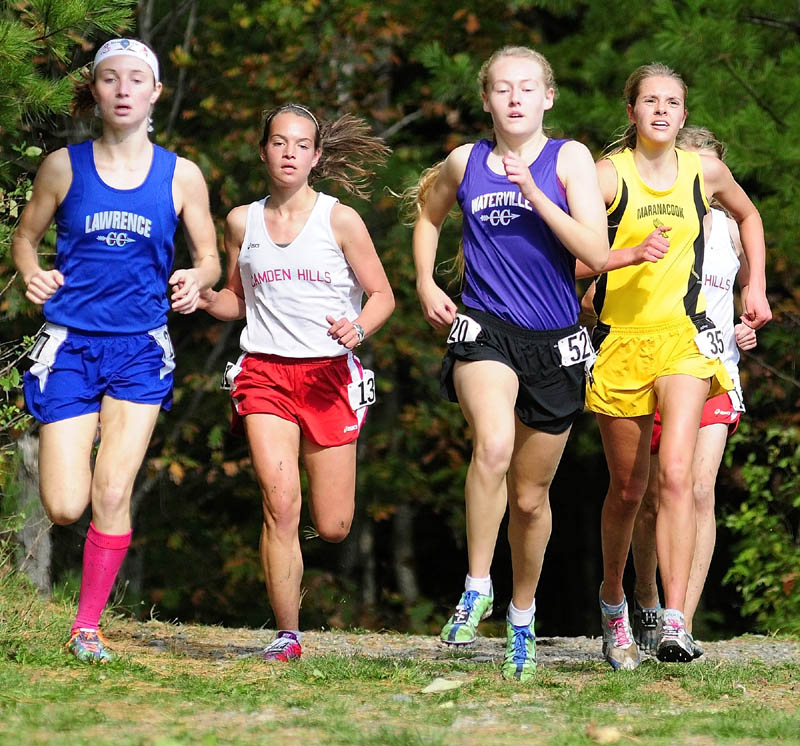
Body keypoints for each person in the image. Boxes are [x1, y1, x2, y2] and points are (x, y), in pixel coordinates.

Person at [11, 38, 221, 663]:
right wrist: (32, 272)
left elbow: (211, 257)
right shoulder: (62, 167)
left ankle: (86, 627)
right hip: (70, 347)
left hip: (139, 350)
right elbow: (26, 238)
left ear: (155, 92)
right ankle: (86, 618)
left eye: (136, 79)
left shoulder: (181, 174)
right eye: (110, 79)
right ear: (96, 92)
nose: (124, 89)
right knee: (65, 503)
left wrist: (196, 279)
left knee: (112, 490)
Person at [411, 45, 609, 681]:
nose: (516, 97)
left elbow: (596, 254)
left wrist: (534, 192)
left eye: (528, 87)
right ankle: (476, 585)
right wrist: (422, 279)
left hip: (554, 341)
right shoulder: (465, 160)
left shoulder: (569, 158)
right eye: (503, 88)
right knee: (491, 446)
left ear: (548, 97)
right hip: (484, 329)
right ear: (488, 99)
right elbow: (427, 212)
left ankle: (522, 614)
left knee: (530, 498)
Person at [582, 63, 771, 668]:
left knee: (682, 478)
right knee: (628, 489)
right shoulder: (606, 176)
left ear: (684, 114)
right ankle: (615, 601)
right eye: (650, 101)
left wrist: (756, 286)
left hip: (687, 341)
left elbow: (749, 216)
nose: (662, 111)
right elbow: (574, 260)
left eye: (673, 102)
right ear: (631, 110)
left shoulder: (705, 171)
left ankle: (675, 620)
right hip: (621, 342)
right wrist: (626, 256)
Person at [198, 104, 394, 662]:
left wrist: (357, 327)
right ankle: (288, 636)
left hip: (329, 375)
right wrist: (208, 298)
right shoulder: (242, 221)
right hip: (264, 373)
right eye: (279, 143)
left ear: (316, 156)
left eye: (301, 144)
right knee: (280, 503)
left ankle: (306, 579)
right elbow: (238, 300)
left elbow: (383, 295)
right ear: (263, 151)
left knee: (332, 525)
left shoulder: (341, 220)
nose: (289, 153)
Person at [630, 126, 757, 657]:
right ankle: (645, 596)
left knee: (699, 490)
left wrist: (749, 322)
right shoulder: (656, 220)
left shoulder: (729, 229)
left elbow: (745, 295)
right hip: (654, 368)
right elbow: (598, 291)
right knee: (652, 499)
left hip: (715, 373)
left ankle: (679, 624)